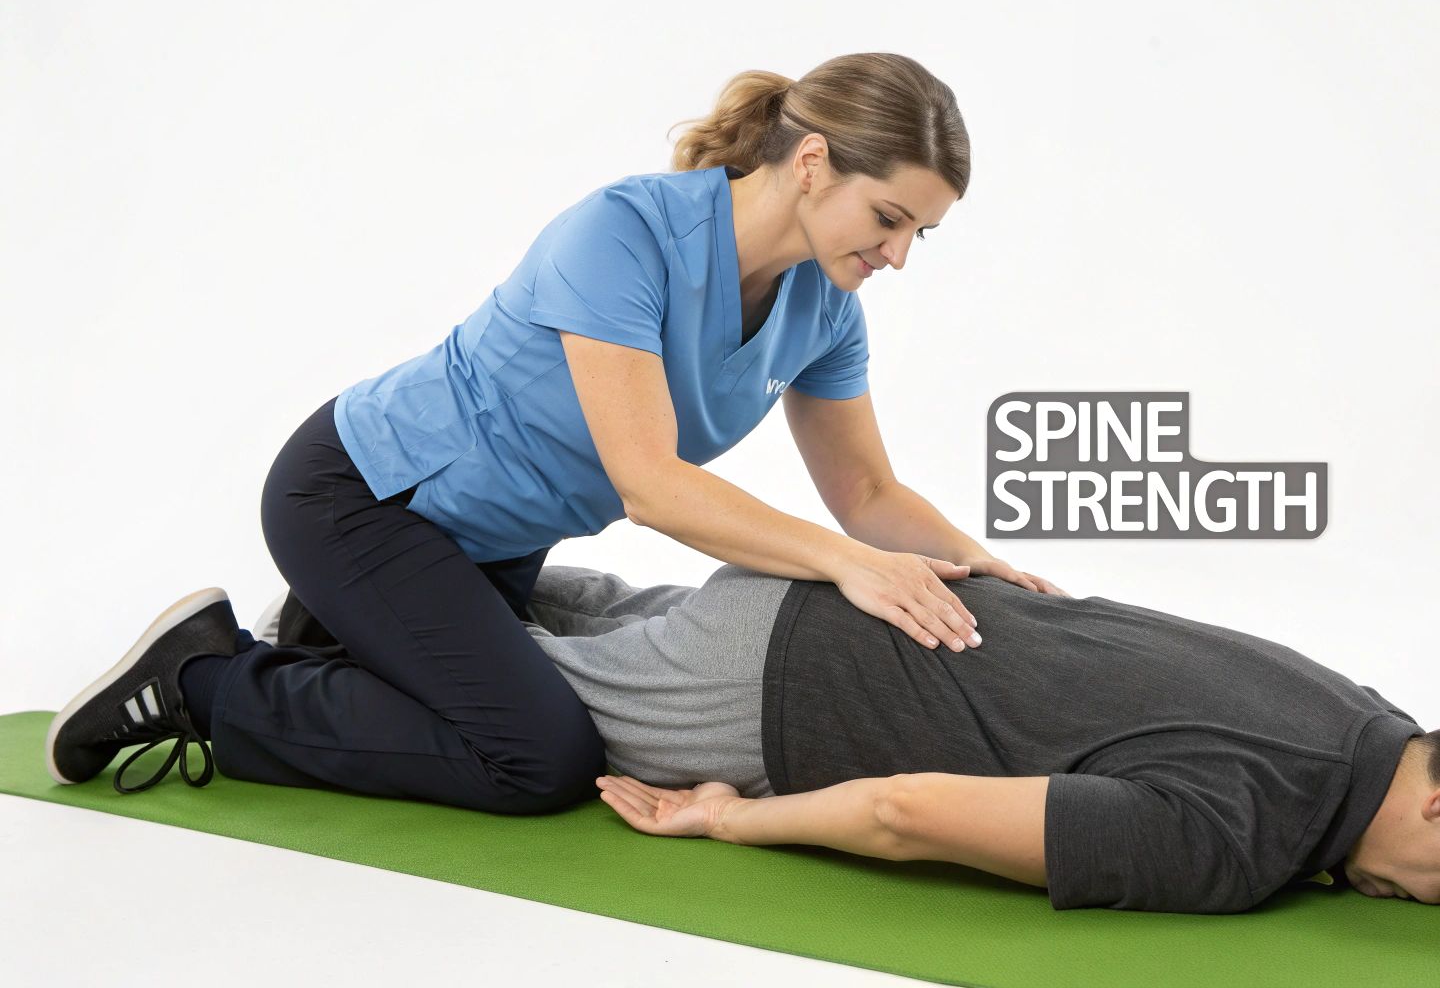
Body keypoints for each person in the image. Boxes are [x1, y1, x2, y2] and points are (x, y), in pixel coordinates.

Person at [45, 52, 1066, 813]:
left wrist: (979, 568)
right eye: (888, 218)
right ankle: (201, 678)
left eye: (919, 233)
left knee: (520, 715)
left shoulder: (826, 311)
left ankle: (327, 638)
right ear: (810, 163)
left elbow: (868, 494)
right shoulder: (627, 233)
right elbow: (649, 484)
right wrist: (849, 565)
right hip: (366, 497)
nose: (898, 255)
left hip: (494, 546)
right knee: (539, 761)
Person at [487, 561, 1440, 929]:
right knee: (479, 685)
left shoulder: (1356, 713)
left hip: (832, 588)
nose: (1433, 907)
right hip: (765, 688)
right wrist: (729, 816)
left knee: (576, 602)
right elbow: (905, 810)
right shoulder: (1238, 837)